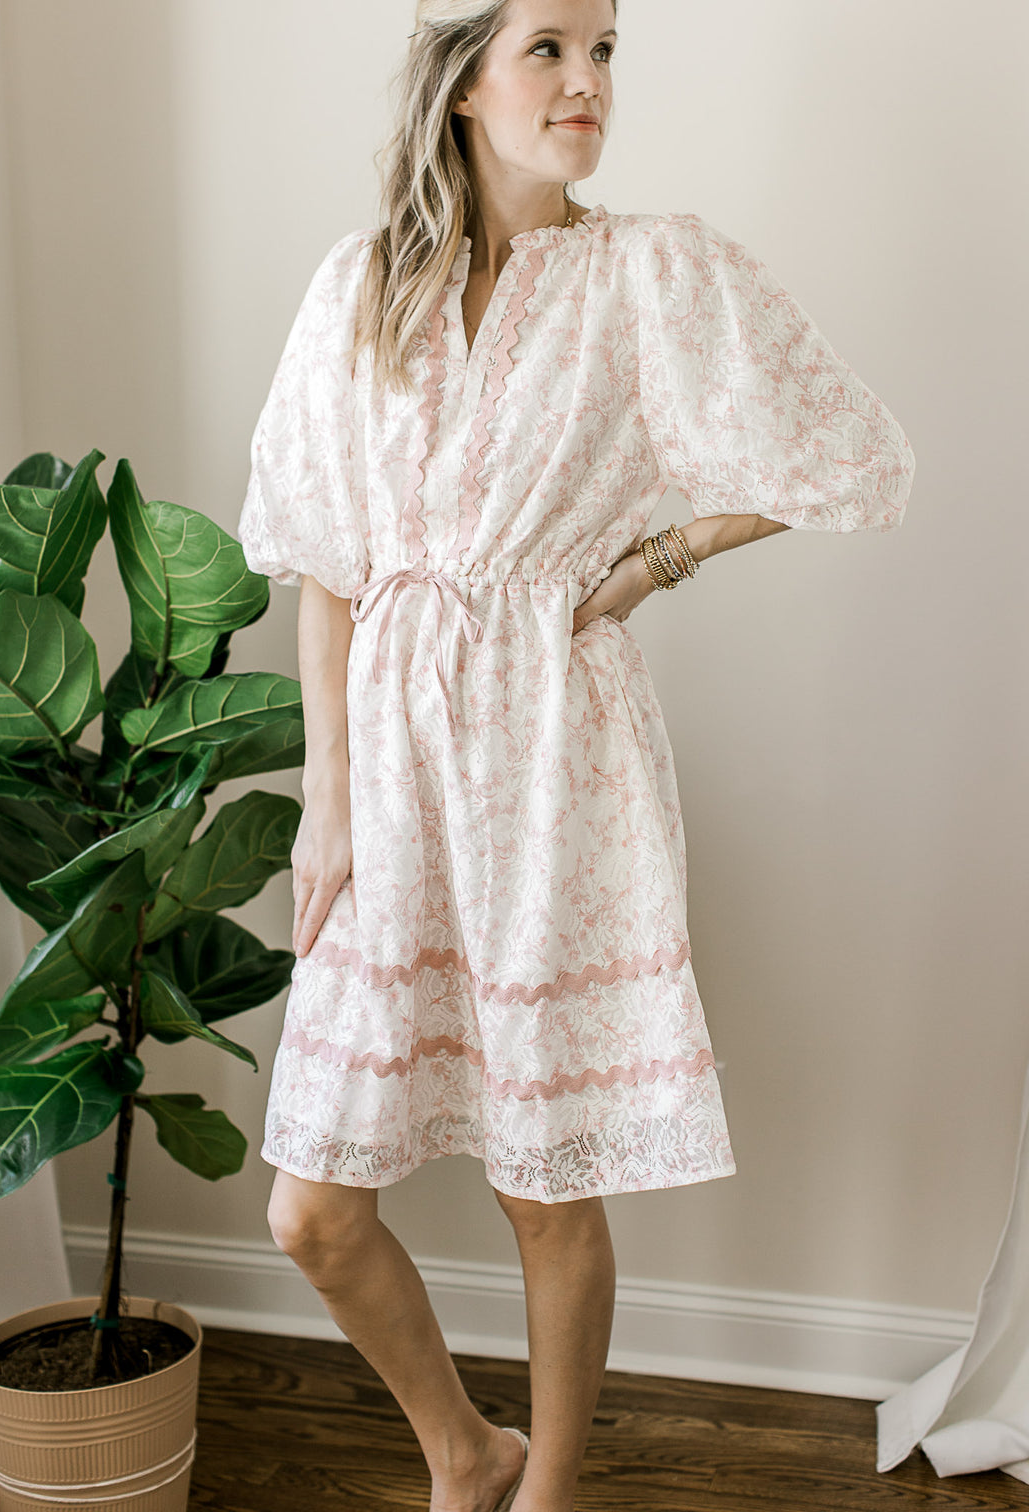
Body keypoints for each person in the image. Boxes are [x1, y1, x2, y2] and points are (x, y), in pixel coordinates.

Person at [237, 2, 916, 1507]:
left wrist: (662, 554)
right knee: (312, 1211)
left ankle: (546, 1495)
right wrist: (326, 809)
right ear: (465, 76)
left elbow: (849, 450)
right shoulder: (356, 291)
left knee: (547, 1181)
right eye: (550, 47)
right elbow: (330, 570)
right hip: (394, 774)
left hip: (559, 764)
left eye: (607, 50)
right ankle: (463, 1453)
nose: (590, 82)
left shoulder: (648, 273)